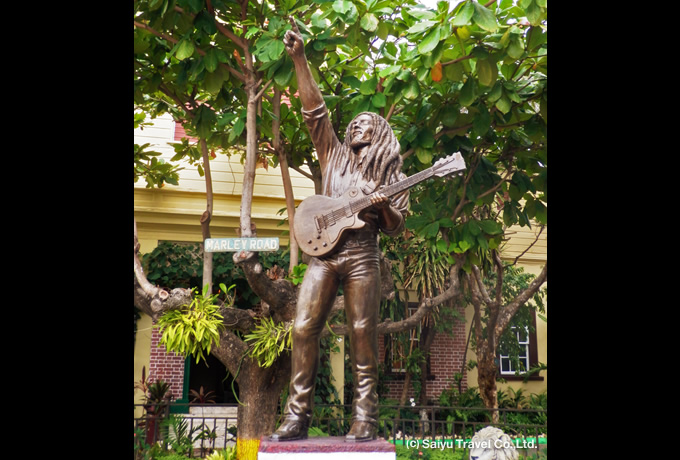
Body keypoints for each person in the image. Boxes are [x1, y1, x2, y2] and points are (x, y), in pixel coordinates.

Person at [270, 21, 410, 443]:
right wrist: (299, 58)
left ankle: (365, 417)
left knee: (363, 332)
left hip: (364, 256)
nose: (355, 126)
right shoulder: (332, 156)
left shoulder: (389, 174)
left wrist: (384, 211)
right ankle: (297, 416)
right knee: (302, 328)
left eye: (365, 123)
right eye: (353, 123)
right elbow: (315, 111)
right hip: (324, 254)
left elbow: (398, 225)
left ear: (380, 134)